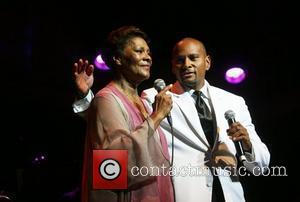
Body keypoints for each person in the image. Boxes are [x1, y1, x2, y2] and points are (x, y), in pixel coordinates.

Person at [73, 37, 270, 202]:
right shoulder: (156, 97)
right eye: (180, 60)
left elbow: (260, 167)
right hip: (184, 195)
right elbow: (115, 118)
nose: (187, 65)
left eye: (193, 58)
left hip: (230, 196)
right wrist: (86, 98)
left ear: (207, 62)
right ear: (172, 66)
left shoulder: (233, 101)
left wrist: (247, 144)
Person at [73, 26, 174, 202]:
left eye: (148, 52)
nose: (148, 57)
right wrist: (157, 116)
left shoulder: (143, 102)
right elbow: (113, 165)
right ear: (118, 59)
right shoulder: (106, 98)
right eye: (139, 51)